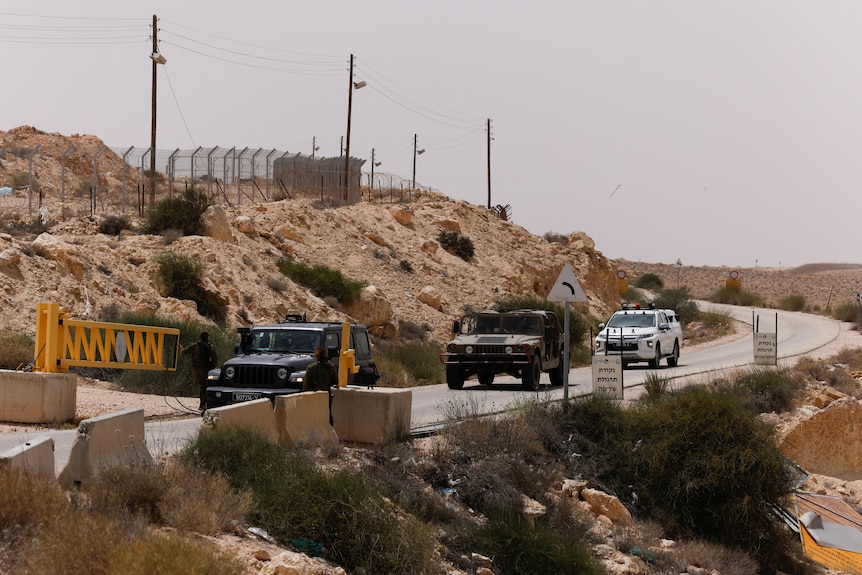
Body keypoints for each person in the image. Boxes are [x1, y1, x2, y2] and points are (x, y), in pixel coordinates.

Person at [181, 331, 218, 412]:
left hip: (196, 369)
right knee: (205, 386)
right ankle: (203, 404)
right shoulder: (210, 347)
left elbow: (184, 352)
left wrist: (180, 348)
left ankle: (202, 404)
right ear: (208, 337)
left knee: (201, 386)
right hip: (205, 369)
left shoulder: (195, 345)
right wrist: (212, 368)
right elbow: (214, 360)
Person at [304, 346, 338, 425]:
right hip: (327, 393)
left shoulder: (311, 367)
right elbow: (335, 381)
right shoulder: (330, 366)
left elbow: (306, 384)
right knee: (328, 414)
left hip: (314, 393)